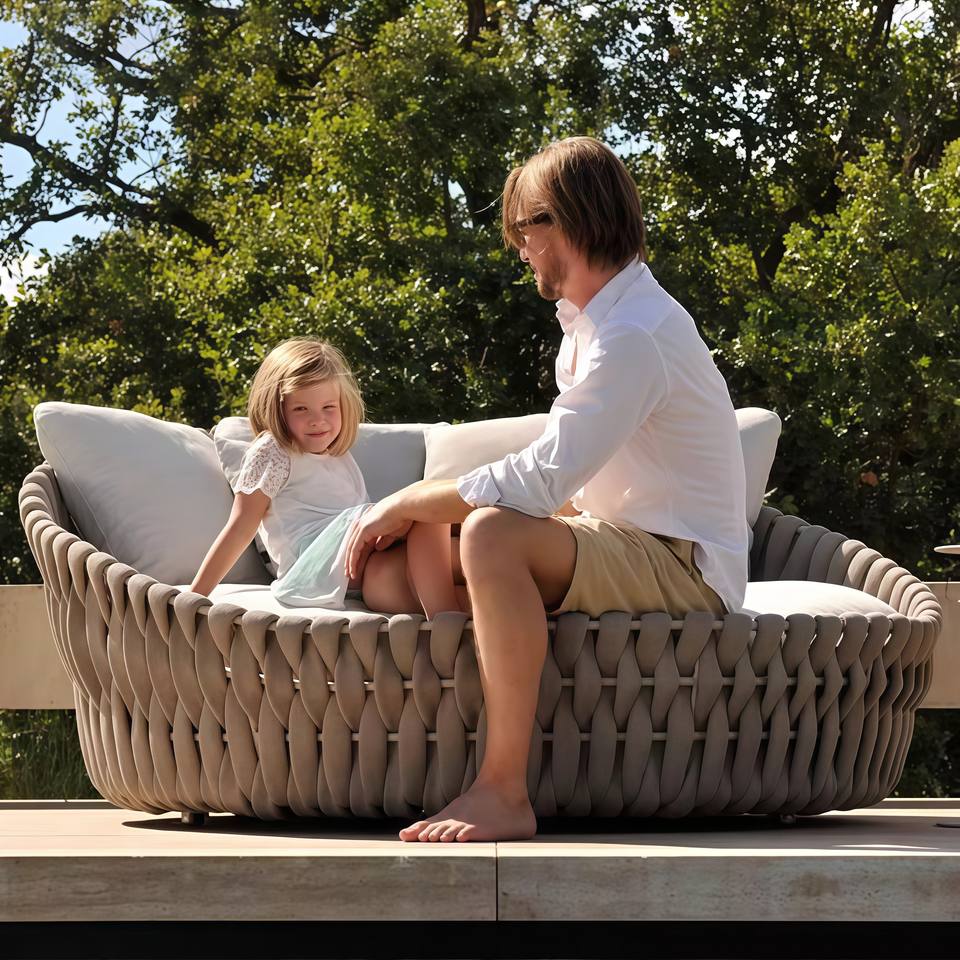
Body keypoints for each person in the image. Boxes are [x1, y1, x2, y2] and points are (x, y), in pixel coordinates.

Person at [343, 135, 749, 843]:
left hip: (683, 562)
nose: (520, 248)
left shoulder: (635, 335)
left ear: (569, 223)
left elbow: (538, 481)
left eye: (524, 228)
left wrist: (408, 499)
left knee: (490, 533)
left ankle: (503, 790)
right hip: (621, 540)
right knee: (387, 577)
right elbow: (569, 487)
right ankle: (492, 649)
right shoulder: (590, 328)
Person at [189, 336, 471, 620]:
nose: (317, 420)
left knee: (469, 552)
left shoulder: (337, 455)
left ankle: (453, 616)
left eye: (328, 407)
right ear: (277, 408)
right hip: (319, 568)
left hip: (370, 573)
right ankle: (445, 622)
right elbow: (240, 527)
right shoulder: (273, 450)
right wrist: (194, 598)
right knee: (422, 502)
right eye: (301, 409)